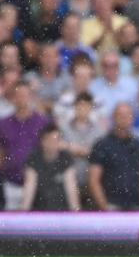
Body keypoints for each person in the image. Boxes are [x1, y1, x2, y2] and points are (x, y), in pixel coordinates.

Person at [88, 103, 139, 211]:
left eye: (128, 115)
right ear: (114, 118)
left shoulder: (138, 145)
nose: (124, 119)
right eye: (120, 115)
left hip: (135, 206)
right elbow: (93, 180)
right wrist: (104, 207)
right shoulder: (101, 145)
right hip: (111, 205)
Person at [0, 81, 49, 210]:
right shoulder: (3, 124)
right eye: (19, 95)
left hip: (39, 186)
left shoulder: (43, 122)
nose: (22, 98)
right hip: (10, 184)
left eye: (25, 95)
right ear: (13, 98)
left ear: (31, 97)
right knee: (9, 227)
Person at [21, 123, 80, 211]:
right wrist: (24, 212)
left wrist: (76, 212)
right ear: (42, 141)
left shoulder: (66, 158)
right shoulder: (33, 158)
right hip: (39, 209)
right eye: (50, 140)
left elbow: (71, 188)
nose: (53, 143)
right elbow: (29, 186)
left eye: (57, 140)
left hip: (62, 210)